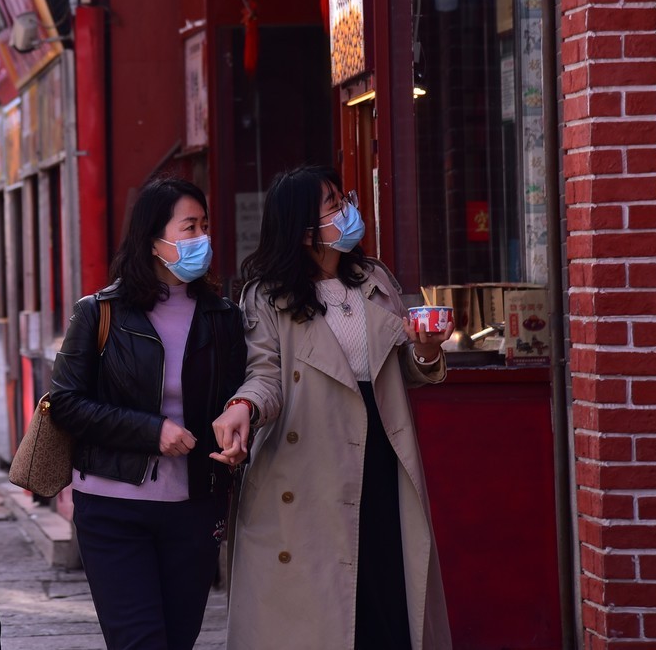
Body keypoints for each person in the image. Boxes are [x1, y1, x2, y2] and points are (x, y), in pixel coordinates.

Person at [211, 165, 453, 650]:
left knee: (387, 585)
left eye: (345, 200)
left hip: (381, 448)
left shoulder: (374, 278)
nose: (348, 212)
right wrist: (243, 405)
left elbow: (405, 365)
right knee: (326, 603)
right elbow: (265, 376)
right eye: (334, 206)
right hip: (309, 459)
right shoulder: (267, 296)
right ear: (304, 231)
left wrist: (427, 348)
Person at [50, 178, 247, 650]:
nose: (201, 237)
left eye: (204, 226)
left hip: (195, 508)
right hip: (112, 505)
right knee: (139, 642)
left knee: (179, 640)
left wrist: (241, 437)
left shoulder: (223, 317)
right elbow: (66, 403)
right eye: (188, 227)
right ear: (152, 239)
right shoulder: (99, 313)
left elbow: (239, 397)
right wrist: (151, 431)